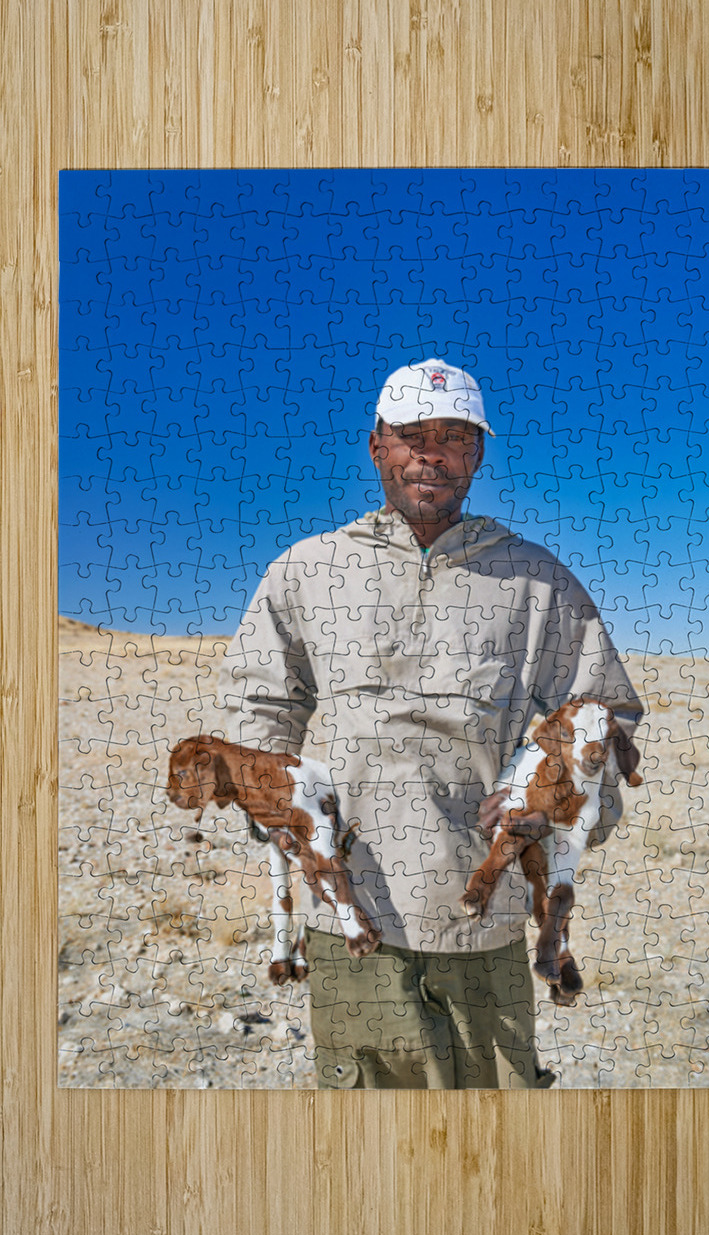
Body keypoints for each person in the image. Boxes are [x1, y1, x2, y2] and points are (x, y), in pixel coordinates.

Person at [218, 357, 643, 1089]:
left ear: (478, 453)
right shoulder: (305, 571)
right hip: (349, 918)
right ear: (377, 443)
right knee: (368, 1158)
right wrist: (276, 807)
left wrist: (552, 802)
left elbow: (604, 714)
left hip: (489, 921)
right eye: (413, 434)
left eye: (454, 436)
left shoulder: (538, 582)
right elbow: (258, 707)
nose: (432, 453)